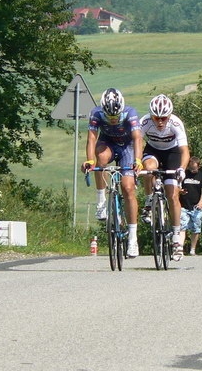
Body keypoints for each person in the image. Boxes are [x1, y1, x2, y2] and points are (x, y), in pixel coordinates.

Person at [81, 88, 143, 258]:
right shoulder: (96, 113)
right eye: (109, 116)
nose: (113, 119)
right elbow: (92, 139)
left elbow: (137, 138)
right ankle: (101, 201)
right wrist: (90, 161)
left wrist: (138, 160)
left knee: (128, 188)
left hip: (127, 147)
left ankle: (132, 239)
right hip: (107, 143)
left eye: (116, 116)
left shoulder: (130, 113)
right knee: (100, 158)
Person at [139, 94, 190, 261]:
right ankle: (148, 201)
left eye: (163, 118)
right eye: (156, 118)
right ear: (151, 115)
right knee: (148, 169)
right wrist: (136, 162)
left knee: (173, 195)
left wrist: (182, 169)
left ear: (169, 116)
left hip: (172, 153)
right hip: (153, 150)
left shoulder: (176, 123)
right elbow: (136, 143)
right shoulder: (145, 122)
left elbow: (184, 151)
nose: (160, 122)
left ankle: (176, 237)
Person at [179, 156, 202, 256]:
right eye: (191, 168)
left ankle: (192, 249)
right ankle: (180, 248)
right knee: (182, 227)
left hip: (196, 206)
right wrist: (180, 191)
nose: (192, 170)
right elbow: (177, 186)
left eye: (194, 168)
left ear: (198, 166)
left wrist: (201, 202)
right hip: (183, 206)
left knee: (196, 228)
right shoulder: (184, 174)